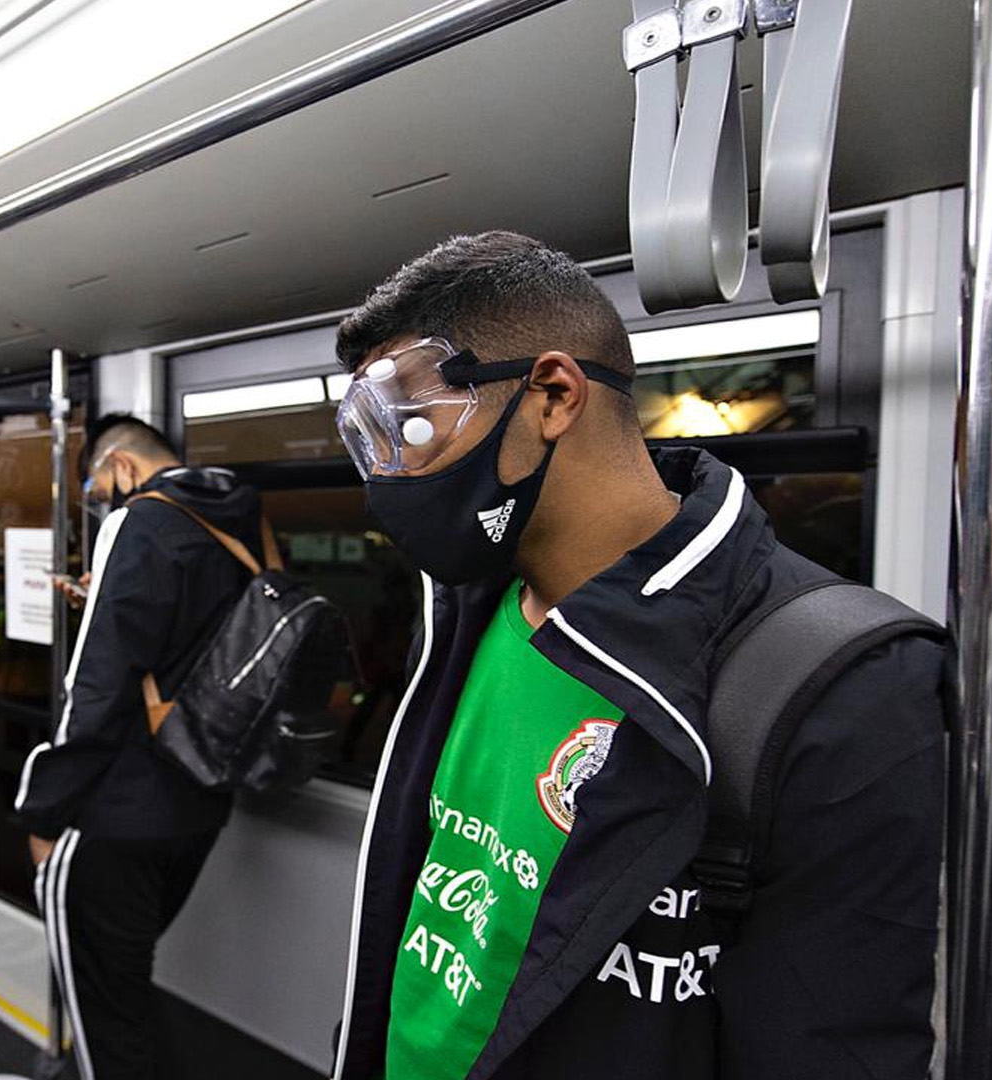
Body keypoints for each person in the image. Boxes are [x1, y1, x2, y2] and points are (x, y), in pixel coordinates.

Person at [327, 232, 945, 1079]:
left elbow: (831, 1042)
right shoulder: (462, 619)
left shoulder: (841, 690)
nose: (392, 478)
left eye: (418, 431)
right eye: (376, 447)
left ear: (552, 395)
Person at [14, 415, 261, 1080]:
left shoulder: (140, 520)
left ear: (122, 467)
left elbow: (96, 684)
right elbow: (205, 634)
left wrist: (44, 809)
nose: (104, 504)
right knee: (125, 983)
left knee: (104, 1007)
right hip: (202, 800)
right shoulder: (240, 523)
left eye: (99, 489)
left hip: (117, 810)